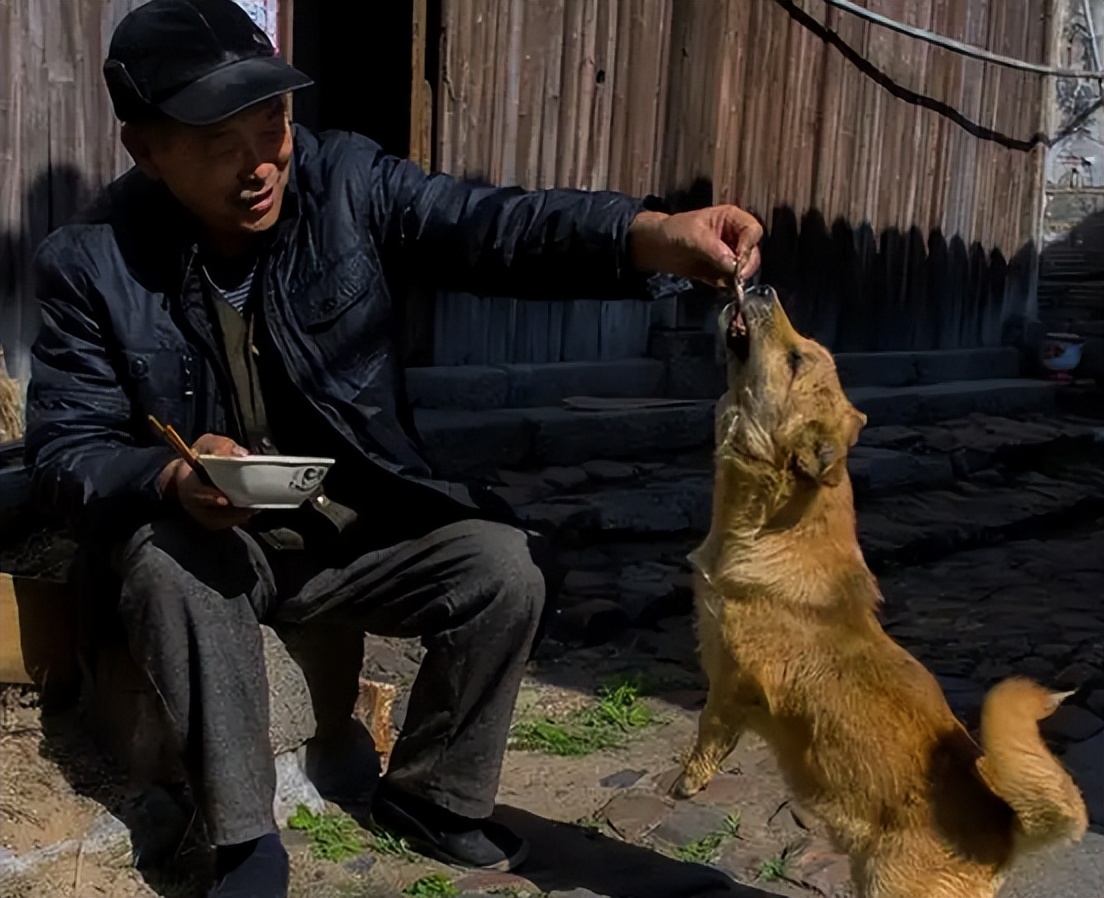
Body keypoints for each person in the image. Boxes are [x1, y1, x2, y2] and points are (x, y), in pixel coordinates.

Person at [24, 1, 763, 895]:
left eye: (274, 126)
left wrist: (645, 237)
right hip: (210, 541)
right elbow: (66, 449)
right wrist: (173, 475)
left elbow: (495, 228)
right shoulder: (90, 262)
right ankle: (242, 840)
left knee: (503, 565)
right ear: (146, 150)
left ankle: (433, 797)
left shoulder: (348, 184)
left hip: (351, 529)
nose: (260, 165)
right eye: (222, 145)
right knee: (166, 562)